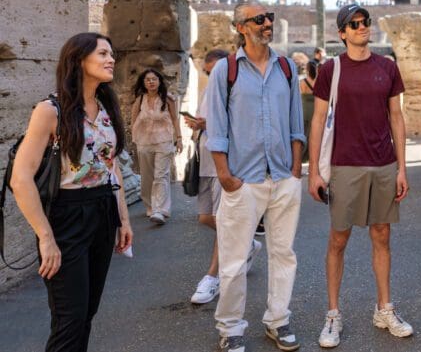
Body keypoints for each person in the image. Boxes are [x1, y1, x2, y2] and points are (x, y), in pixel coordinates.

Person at [11, 32, 133, 352]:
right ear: (79, 60)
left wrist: (123, 219)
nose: (111, 60)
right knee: (70, 317)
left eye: (112, 54)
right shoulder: (50, 110)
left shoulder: (106, 106)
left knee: (87, 314)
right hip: (67, 216)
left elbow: (111, 165)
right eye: (103, 54)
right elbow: (20, 177)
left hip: (103, 210)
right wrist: (45, 237)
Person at [308, 4, 411, 349]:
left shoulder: (388, 67)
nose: (362, 27)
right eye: (354, 24)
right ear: (343, 33)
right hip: (344, 165)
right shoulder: (330, 69)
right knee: (339, 239)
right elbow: (319, 120)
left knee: (382, 235)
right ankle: (333, 314)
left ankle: (385, 308)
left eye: (365, 22)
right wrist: (313, 174)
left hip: (382, 164)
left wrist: (402, 168)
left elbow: (396, 117)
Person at [206, 3, 305, 352]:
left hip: (282, 176)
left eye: (270, 18)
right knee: (233, 260)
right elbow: (216, 126)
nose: (267, 24)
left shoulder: (287, 68)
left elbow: (296, 123)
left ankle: (278, 320)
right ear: (240, 27)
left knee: (283, 254)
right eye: (259, 20)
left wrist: (296, 169)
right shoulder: (226, 70)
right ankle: (230, 326)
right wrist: (225, 176)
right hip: (243, 179)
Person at [186, 49, 262, 305]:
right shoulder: (210, 89)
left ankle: (212, 277)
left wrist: (207, 124)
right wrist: (198, 124)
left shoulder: (239, 89)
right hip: (206, 159)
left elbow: (244, 123)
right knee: (205, 217)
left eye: (215, 68)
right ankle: (246, 241)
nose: (212, 73)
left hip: (227, 162)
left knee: (223, 219)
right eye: (208, 70)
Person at [130, 68, 182, 224]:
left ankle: (160, 209)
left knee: (161, 175)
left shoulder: (168, 99)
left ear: (159, 82)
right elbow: (133, 120)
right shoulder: (140, 100)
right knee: (147, 176)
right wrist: (135, 139)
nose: (151, 82)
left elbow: (174, 119)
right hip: (144, 142)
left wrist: (178, 138)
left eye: (154, 79)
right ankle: (150, 205)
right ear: (144, 83)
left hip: (164, 140)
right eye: (147, 80)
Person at [300, 60, 319, 164]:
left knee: (304, 134)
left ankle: (302, 157)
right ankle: (311, 158)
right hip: (315, 111)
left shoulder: (302, 82)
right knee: (313, 136)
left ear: (307, 69)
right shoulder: (318, 81)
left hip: (305, 110)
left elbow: (299, 95)